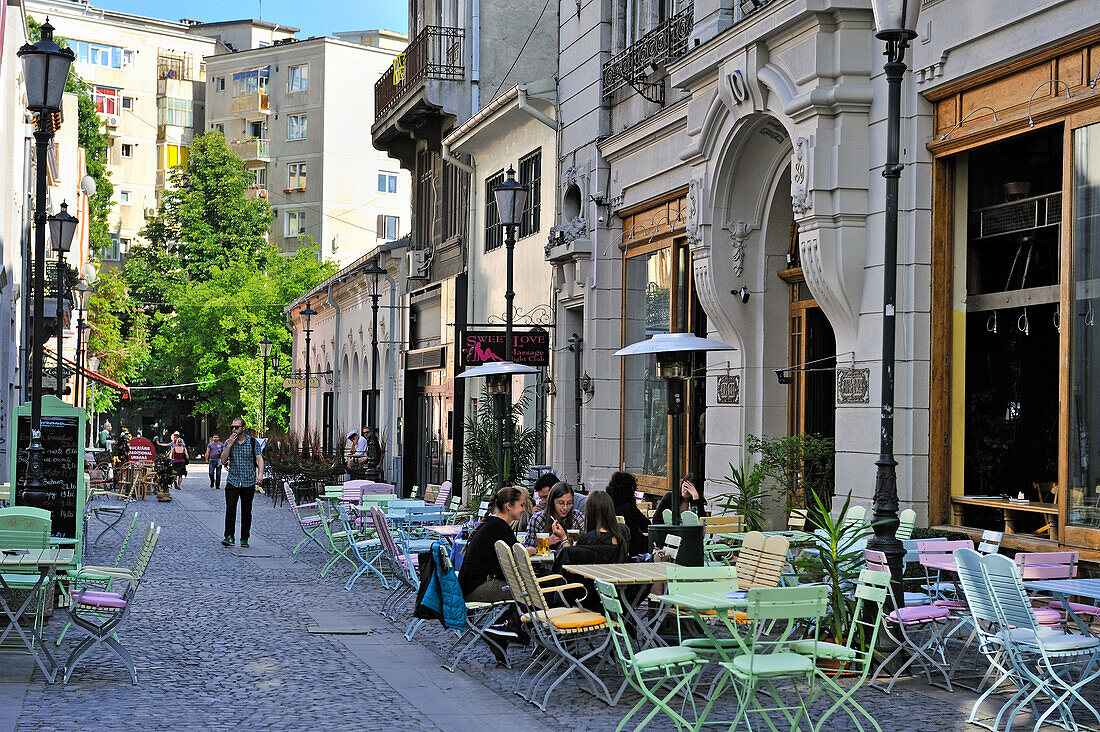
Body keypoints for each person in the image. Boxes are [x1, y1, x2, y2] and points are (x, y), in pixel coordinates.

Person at [457, 486, 535, 662]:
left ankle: (503, 630)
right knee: (531, 591)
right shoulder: (499, 527)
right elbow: (515, 557)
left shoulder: (494, 524)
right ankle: (509, 630)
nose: (524, 509)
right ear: (509, 506)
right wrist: (531, 550)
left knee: (525, 589)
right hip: (477, 587)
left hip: (471, 584)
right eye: (521, 505)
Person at [220, 416, 264, 548]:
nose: (234, 429)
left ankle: (245, 538)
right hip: (233, 481)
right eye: (232, 427)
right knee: (231, 509)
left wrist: (260, 474)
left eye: (236, 427)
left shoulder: (252, 442)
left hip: (248, 481)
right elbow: (223, 460)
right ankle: (229, 537)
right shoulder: (229, 442)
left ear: (243, 428)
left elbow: (259, 459)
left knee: (246, 511)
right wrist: (229, 446)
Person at [524, 482, 584, 550]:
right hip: (543, 560)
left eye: (569, 503)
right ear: (552, 502)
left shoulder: (576, 517)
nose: (565, 507)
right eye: (561, 503)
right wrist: (547, 542)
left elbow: (586, 546)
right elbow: (527, 548)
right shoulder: (538, 518)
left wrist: (564, 539)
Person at [606, 471, 651, 556]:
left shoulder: (608, 505)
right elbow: (646, 525)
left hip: (612, 546)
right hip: (633, 547)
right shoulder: (628, 507)